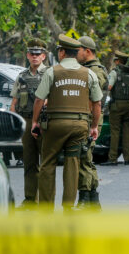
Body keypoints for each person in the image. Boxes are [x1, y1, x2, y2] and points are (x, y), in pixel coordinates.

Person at [31, 34, 103, 209]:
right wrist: (94, 126)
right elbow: (97, 103)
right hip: (79, 126)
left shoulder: (52, 72)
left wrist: (35, 122)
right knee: (72, 164)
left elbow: (39, 99)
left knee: (48, 163)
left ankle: (46, 208)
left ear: (62, 52)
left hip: (54, 126)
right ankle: (68, 208)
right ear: (76, 53)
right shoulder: (89, 74)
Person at [10, 38, 48, 206]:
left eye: (38, 54)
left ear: (43, 56)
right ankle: (30, 199)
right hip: (26, 120)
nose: (34, 57)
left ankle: (45, 201)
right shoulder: (22, 76)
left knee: (46, 163)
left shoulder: (49, 74)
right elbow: (14, 102)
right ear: (27, 55)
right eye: (32, 54)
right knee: (29, 162)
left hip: (44, 122)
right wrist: (14, 121)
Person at [76, 35, 108, 208]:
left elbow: (94, 98)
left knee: (84, 157)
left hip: (90, 118)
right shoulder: (87, 69)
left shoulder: (95, 71)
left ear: (87, 51)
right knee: (86, 158)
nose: (75, 54)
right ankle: (92, 199)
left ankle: (85, 198)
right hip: (87, 117)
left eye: (78, 51)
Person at [101, 50, 129, 166]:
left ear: (117, 61)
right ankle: (128, 158)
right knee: (127, 132)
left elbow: (109, 87)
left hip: (116, 106)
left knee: (115, 132)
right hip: (128, 105)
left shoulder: (114, 72)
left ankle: (112, 158)